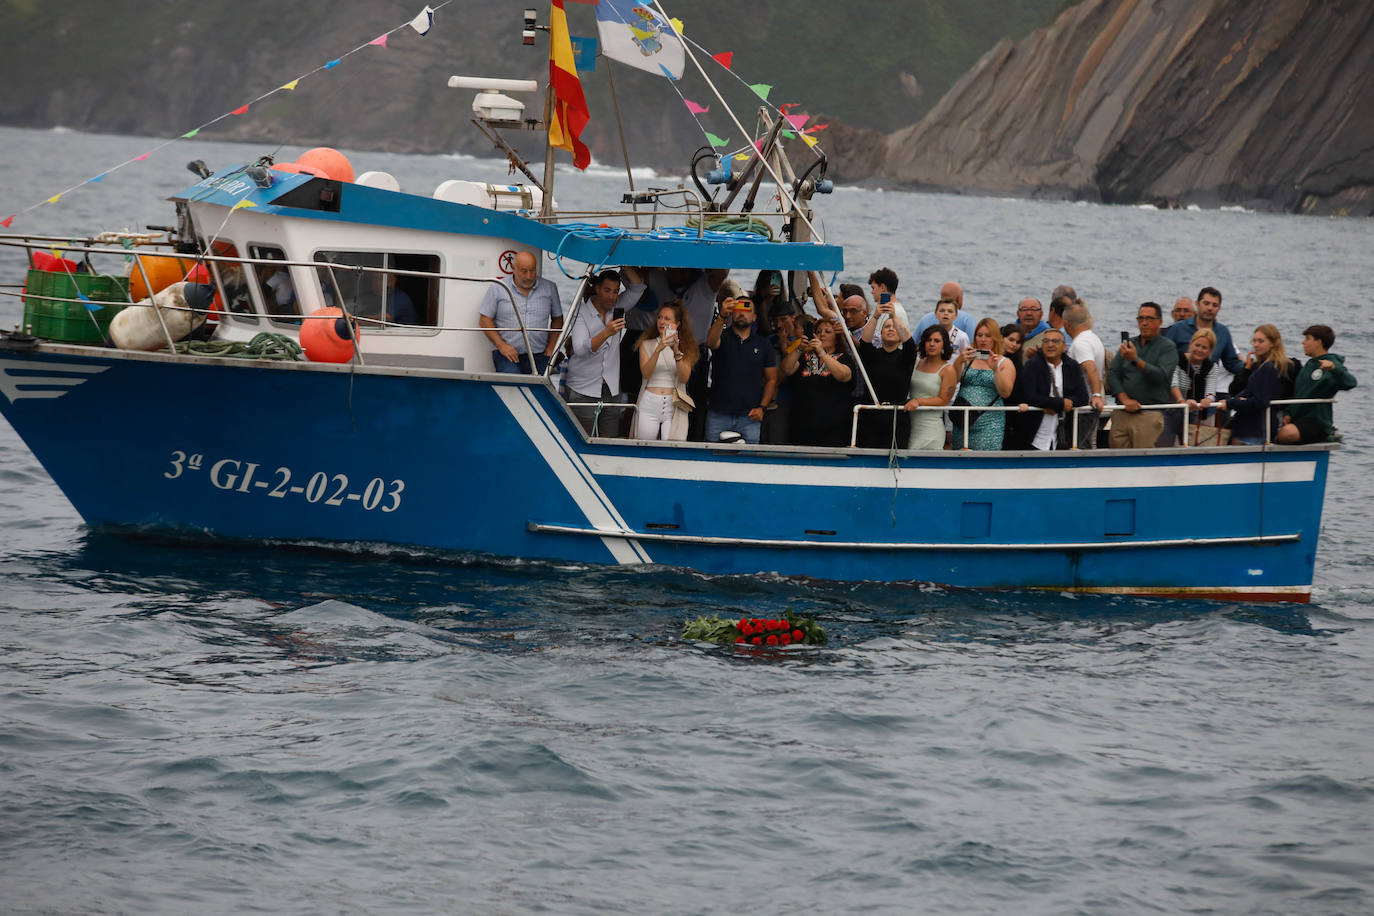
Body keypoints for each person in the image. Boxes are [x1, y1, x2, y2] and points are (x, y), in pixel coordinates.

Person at [647, 267, 729, 439]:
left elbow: (723, 271)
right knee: (662, 399)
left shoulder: (706, 284)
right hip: (664, 348)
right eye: (676, 269)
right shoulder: (659, 277)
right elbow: (637, 270)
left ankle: (692, 440)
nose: (680, 273)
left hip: (696, 351)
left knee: (693, 405)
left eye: (685, 270)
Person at [565, 268, 645, 437]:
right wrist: (607, 332)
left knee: (609, 439)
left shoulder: (618, 308)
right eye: (607, 290)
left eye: (616, 291)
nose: (612, 296)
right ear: (597, 288)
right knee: (581, 439)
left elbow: (637, 287)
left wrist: (620, 253)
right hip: (582, 389)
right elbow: (579, 349)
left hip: (611, 388)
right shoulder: (580, 313)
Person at [704, 297, 778, 444]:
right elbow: (711, 343)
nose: (742, 313)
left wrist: (762, 408)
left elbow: (772, 379)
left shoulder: (764, 344)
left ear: (755, 316)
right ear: (732, 313)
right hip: (718, 413)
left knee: (749, 462)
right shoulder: (722, 336)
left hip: (750, 416)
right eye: (738, 309)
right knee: (711, 458)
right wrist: (722, 316)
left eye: (747, 309)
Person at [1106, 301, 1179, 448]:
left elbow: (1161, 377)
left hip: (1149, 414)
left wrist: (1135, 360)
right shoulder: (1129, 345)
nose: (1144, 323)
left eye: (1149, 319)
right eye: (1141, 319)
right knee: (1117, 461)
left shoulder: (1167, 347)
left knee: (1143, 460)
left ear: (1160, 322)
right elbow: (1113, 373)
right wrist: (1124, 398)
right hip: (1122, 413)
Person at [478, 250, 563, 373]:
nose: (529, 276)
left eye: (532, 270)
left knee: (539, 390)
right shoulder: (498, 288)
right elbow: (484, 320)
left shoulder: (550, 288)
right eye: (524, 271)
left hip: (540, 355)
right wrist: (502, 346)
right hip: (507, 355)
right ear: (513, 268)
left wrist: (550, 349)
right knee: (512, 386)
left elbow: (558, 319)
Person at [1274, 324, 1357, 444]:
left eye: (1307, 339)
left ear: (1318, 342)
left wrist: (1334, 368)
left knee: (1287, 433)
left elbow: (1351, 382)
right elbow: (1300, 393)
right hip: (1299, 420)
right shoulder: (1309, 365)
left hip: (1316, 422)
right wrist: (1288, 413)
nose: (1303, 343)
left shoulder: (1332, 363)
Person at [1008, 328, 1089, 450]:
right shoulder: (1032, 366)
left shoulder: (1072, 367)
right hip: (1034, 435)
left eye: (1055, 341)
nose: (1050, 345)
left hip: (1062, 435)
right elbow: (1028, 396)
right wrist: (1059, 404)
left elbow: (1083, 397)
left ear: (1064, 347)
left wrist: (1067, 403)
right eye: (1046, 341)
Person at [854, 296, 918, 449]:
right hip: (872, 415)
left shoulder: (906, 357)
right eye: (886, 327)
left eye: (894, 327)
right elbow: (865, 342)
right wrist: (876, 316)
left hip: (897, 417)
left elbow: (909, 342)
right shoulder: (873, 355)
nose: (891, 329)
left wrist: (893, 316)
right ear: (880, 333)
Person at [1218, 324, 1298, 445]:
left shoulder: (1269, 368)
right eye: (1254, 341)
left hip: (1255, 428)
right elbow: (1237, 390)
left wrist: (1231, 403)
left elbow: (1260, 401)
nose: (1256, 345)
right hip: (1253, 425)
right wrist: (1246, 370)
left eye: (1261, 341)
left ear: (1273, 343)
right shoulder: (1261, 366)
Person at [782, 316, 855, 447]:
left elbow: (844, 375)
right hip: (802, 425)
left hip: (833, 428)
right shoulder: (805, 357)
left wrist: (822, 353)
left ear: (836, 337)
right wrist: (799, 349)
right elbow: (787, 369)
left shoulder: (844, 358)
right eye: (819, 331)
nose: (822, 335)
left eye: (828, 332)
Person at [633, 302, 698, 441]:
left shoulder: (685, 347)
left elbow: (684, 378)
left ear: (678, 324)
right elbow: (646, 373)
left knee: (673, 446)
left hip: (672, 405)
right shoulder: (647, 344)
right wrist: (658, 349)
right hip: (650, 402)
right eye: (659, 317)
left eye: (667, 319)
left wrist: (676, 351)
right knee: (643, 446)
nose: (662, 322)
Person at [951, 318, 1016, 450]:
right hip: (963, 419)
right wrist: (958, 361)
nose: (983, 340)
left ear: (995, 338)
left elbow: (1006, 392)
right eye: (979, 335)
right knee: (959, 458)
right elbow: (952, 384)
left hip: (989, 422)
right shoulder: (967, 358)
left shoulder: (1004, 362)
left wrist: (995, 369)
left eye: (988, 336)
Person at [1164, 286, 1243, 377]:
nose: (1210, 308)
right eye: (1206, 303)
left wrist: (1250, 367)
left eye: (1215, 305)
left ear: (1219, 308)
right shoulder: (1178, 328)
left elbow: (1231, 363)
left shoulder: (1223, 332)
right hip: (1179, 384)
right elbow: (1165, 356)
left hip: (1209, 384)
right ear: (1197, 304)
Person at [1164, 328, 1223, 445]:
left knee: (1191, 445)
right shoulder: (1177, 359)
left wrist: (1208, 400)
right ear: (1191, 344)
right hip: (1172, 409)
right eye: (1197, 345)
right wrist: (1181, 400)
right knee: (1166, 444)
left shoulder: (1212, 367)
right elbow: (1174, 383)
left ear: (1210, 350)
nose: (1199, 350)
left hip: (1195, 412)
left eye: (1204, 348)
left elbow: (1211, 391)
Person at [905, 326, 956, 450]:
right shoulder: (916, 362)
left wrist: (918, 401)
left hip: (931, 428)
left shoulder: (948, 370)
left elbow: (944, 400)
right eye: (928, 340)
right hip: (909, 424)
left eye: (937, 341)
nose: (932, 344)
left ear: (944, 344)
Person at [1064, 303, 1107, 448]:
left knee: (1082, 445)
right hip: (1087, 406)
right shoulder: (1093, 338)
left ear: (1066, 324)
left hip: (1085, 406)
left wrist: (1096, 395)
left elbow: (1091, 369)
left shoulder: (1081, 343)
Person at [762, 301, 805, 444]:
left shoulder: (801, 342)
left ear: (793, 317)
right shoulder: (768, 341)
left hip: (789, 397)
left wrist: (783, 346)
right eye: (774, 321)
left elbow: (786, 372)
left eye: (783, 319)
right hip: (768, 397)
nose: (778, 325)